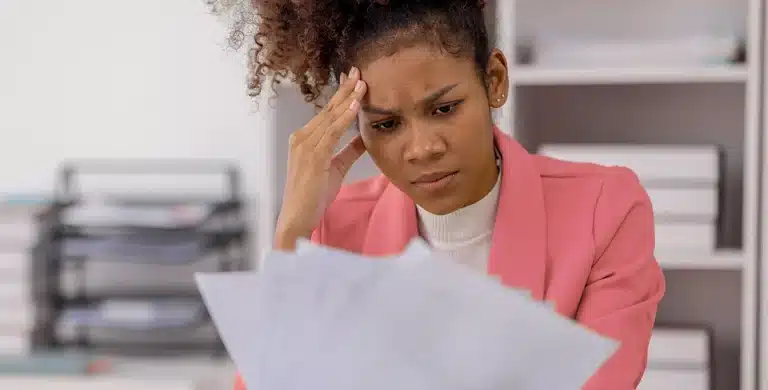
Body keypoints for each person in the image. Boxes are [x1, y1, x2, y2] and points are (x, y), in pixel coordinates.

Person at [221, 0, 666, 389]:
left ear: (494, 80)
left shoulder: (605, 210)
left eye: (444, 109)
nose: (422, 149)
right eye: (386, 125)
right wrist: (290, 237)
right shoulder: (333, 231)